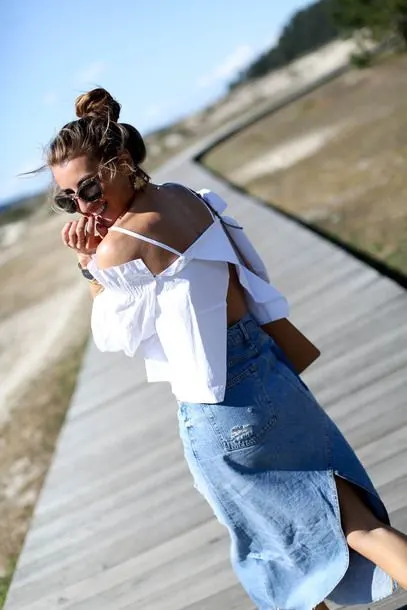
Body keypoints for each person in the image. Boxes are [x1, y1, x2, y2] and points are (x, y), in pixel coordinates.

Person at [46, 87, 406, 610]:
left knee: (280, 564)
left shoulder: (122, 240)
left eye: (88, 188)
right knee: (357, 524)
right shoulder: (186, 197)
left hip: (222, 412)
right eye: (68, 200)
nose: (83, 206)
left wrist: (90, 266)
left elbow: (113, 335)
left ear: (120, 164)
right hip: (273, 377)